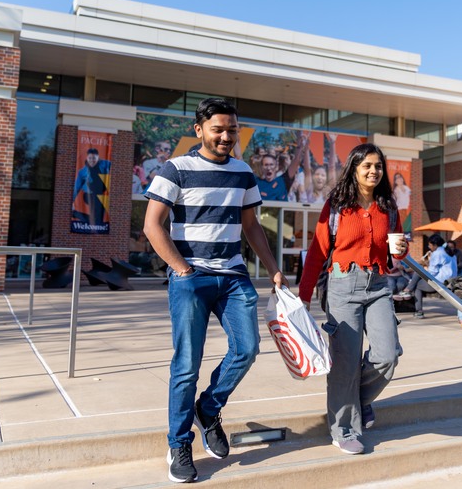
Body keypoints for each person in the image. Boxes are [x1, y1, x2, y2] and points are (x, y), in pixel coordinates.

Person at [143, 97, 287, 483]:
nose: (225, 136)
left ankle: (209, 408)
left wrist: (273, 269)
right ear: (199, 130)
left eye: (232, 130)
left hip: (234, 277)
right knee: (186, 365)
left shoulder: (242, 172)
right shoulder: (176, 169)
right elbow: (152, 225)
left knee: (248, 347)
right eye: (218, 129)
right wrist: (183, 270)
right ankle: (179, 443)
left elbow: (251, 226)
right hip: (191, 279)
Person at [298, 142, 407, 457]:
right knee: (345, 364)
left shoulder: (387, 205)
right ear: (355, 168)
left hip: (379, 283)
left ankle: (356, 401)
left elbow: (396, 247)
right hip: (343, 285)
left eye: (378, 166)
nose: (374, 171)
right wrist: (303, 296)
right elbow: (318, 251)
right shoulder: (336, 205)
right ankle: (344, 430)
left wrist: (400, 250)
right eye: (367, 166)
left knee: (388, 354)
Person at [395, 234, 457, 319]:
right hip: (451, 280)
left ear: (435, 245)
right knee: (419, 275)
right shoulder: (448, 252)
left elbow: (432, 273)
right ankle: (408, 290)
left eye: (430, 245)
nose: (429, 247)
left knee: (418, 279)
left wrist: (424, 267)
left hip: (441, 282)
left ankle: (417, 307)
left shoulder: (437, 253)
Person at [256, 134, 307, 201]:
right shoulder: (257, 183)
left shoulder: (283, 181)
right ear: (262, 167)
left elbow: (295, 163)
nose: (269, 168)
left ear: (276, 166)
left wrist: (299, 148)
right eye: (266, 165)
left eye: (271, 165)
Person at [72, 148, 111, 226]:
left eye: (94, 158)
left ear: (98, 158)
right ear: (87, 158)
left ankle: (76, 214)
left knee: (98, 220)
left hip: (100, 193)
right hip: (89, 195)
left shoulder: (104, 164)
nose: (92, 160)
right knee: (98, 217)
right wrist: (71, 202)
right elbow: (76, 188)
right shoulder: (82, 172)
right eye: (90, 158)